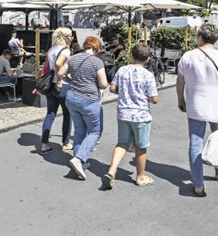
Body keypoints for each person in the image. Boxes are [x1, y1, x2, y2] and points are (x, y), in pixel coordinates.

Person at [177, 23, 218, 197]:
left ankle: (198, 184)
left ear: (199, 37)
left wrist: (180, 99)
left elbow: (180, 81)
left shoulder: (188, 57)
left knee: (195, 144)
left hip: (195, 105)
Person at [104, 43, 159, 189]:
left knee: (122, 143)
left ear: (132, 56)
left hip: (123, 112)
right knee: (141, 146)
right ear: (147, 59)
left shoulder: (122, 70)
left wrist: (124, 93)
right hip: (140, 115)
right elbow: (154, 99)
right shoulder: (148, 75)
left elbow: (113, 88)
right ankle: (140, 177)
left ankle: (112, 171)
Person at [61, 36, 108, 180]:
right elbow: (103, 84)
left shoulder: (73, 58)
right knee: (95, 132)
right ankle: (79, 159)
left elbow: (60, 73)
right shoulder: (97, 62)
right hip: (89, 101)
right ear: (96, 47)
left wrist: (72, 80)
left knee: (80, 130)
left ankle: (79, 160)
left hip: (72, 98)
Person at [39, 27, 73, 155]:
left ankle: (44, 144)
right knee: (67, 114)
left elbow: (48, 65)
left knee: (50, 114)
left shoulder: (51, 50)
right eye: (69, 36)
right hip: (62, 85)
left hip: (50, 86)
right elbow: (59, 64)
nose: (71, 38)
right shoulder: (65, 51)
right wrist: (59, 79)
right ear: (63, 37)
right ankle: (66, 142)